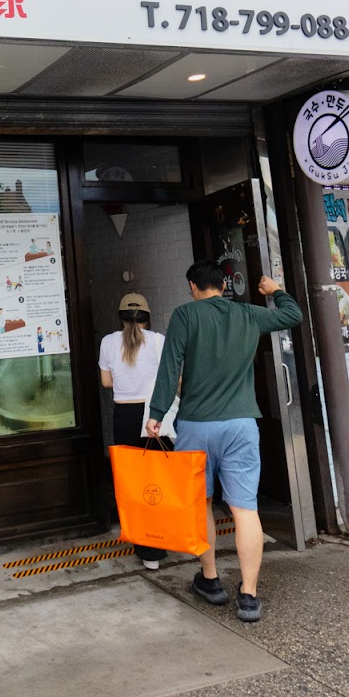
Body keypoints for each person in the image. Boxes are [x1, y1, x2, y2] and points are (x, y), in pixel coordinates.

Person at [146, 260, 302, 622]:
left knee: (201, 503)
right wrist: (275, 291)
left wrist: (156, 413)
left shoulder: (185, 315)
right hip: (241, 425)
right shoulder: (247, 314)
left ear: (192, 286)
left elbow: (170, 365)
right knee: (245, 509)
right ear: (222, 285)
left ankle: (211, 579)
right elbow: (292, 315)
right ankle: (249, 596)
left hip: (196, 425)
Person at [99, 293, 167, 571]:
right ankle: (162, 539)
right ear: (147, 318)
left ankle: (146, 550)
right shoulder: (159, 340)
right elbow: (170, 378)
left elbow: (106, 382)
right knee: (158, 480)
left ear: (120, 317)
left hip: (125, 417)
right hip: (154, 415)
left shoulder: (108, 342)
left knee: (134, 483)